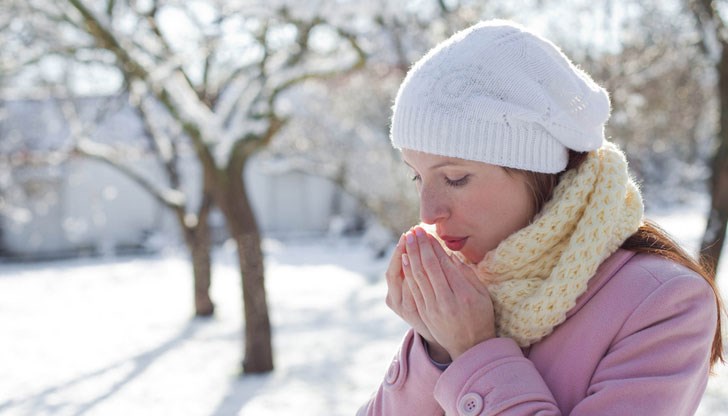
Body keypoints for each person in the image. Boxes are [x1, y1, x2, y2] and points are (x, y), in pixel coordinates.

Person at [358, 20, 725, 415]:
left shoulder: (662, 303)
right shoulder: (474, 290)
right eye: (418, 176)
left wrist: (474, 351)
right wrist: (435, 350)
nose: (428, 212)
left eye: (455, 178)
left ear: (537, 171)